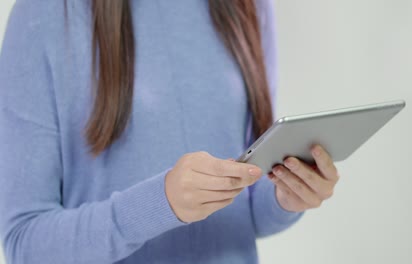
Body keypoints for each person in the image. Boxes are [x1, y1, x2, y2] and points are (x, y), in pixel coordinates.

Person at [0, 0, 339, 263]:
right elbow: (24, 242)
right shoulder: (45, 14)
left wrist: (285, 196)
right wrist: (160, 204)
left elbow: (247, 209)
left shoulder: (245, 6)